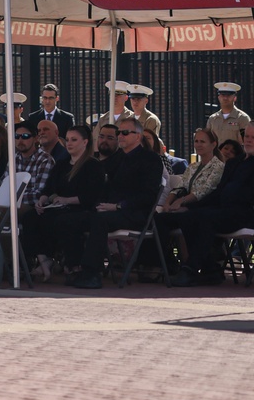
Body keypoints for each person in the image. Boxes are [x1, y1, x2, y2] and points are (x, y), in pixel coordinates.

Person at [59, 117, 163, 289]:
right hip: (110, 211)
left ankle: (92, 273)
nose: (120, 136)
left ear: (138, 136)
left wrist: (118, 206)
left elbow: (148, 196)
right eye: (118, 132)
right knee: (69, 219)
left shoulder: (150, 160)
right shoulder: (116, 159)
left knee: (99, 221)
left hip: (135, 213)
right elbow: (103, 187)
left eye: (125, 132)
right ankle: (74, 267)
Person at [170, 127, 254, 286]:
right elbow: (219, 192)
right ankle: (211, 270)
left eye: (253, 137)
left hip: (245, 213)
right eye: (247, 136)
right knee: (188, 216)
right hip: (224, 210)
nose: (248, 140)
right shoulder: (235, 162)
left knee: (207, 219)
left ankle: (191, 269)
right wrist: (192, 206)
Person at [22, 125, 104, 282]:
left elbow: (91, 196)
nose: (69, 143)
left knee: (62, 221)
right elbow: (49, 187)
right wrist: (42, 199)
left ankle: (72, 264)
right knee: (30, 217)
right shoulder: (61, 164)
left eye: (74, 140)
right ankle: (43, 258)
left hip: (81, 209)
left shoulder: (93, 165)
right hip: (58, 207)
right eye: (67, 140)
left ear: (85, 142)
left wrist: (67, 200)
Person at [13, 120, 55, 210]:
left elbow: (38, 194)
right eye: (16, 136)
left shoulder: (45, 160)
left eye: (25, 136)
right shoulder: (13, 159)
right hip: (11, 203)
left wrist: (11, 198)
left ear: (36, 138)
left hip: (34, 208)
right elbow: (2, 186)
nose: (20, 140)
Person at [92, 80, 132, 148]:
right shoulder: (103, 119)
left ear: (126, 97)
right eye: (112, 94)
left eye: (118, 95)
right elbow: (96, 140)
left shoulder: (131, 118)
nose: (115, 98)